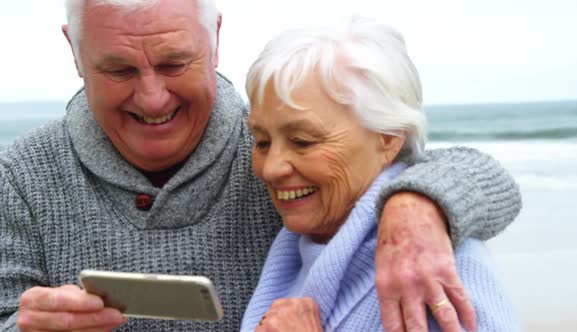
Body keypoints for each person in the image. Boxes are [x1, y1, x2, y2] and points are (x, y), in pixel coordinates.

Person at [0, 0, 521, 331]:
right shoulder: (19, 176)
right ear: (74, 51)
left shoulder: (286, 149)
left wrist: (417, 202)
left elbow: (460, 168)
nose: (153, 97)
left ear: (216, 40)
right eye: (117, 69)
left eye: (174, 63)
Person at [239, 17, 520, 332]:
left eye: (303, 142)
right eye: (261, 142)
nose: (271, 167)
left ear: (388, 137)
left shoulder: (431, 265)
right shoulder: (299, 250)